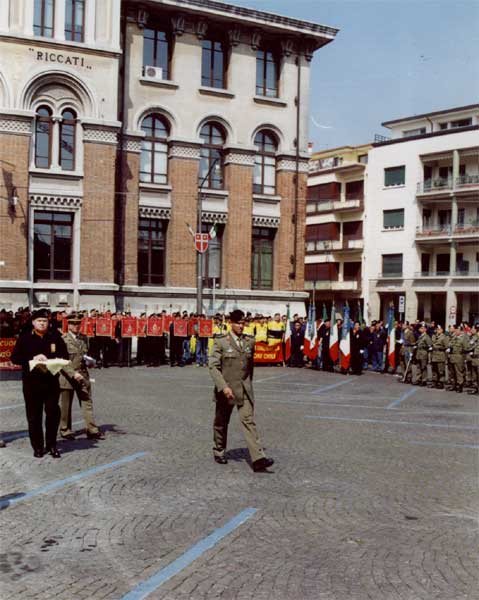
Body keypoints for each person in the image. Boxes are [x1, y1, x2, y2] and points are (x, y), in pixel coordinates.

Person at [208, 309, 274, 472]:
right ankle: (219, 450)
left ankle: (258, 458)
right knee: (221, 422)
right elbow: (213, 367)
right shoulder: (221, 341)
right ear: (232, 323)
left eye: (244, 323)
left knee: (248, 421)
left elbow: (249, 367)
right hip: (227, 389)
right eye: (239, 323)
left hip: (244, 389)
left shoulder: (249, 341)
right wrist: (223, 387)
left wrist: (248, 385)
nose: (242, 326)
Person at [11, 309, 72, 458]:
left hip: (51, 382)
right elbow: (15, 358)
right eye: (39, 321)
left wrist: (52, 360)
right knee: (34, 416)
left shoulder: (55, 337)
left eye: (45, 321)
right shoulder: (25, 338)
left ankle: (52, 445)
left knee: (52, 413)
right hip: (32, 383)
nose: (42, 323)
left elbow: (64, 356)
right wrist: (33, 358)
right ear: (33, 323)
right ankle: (37, 447)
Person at [58, 314, 104, 441]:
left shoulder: (84, 338)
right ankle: (65, 430)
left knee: (87, 402)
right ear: (69, 325)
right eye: (73, 324)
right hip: (67, 376)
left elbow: (84, 356)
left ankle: (92, 429)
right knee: (65, 405)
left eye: (78, 324)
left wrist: (90, 362)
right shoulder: (63, 339)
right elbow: (62, 360)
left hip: (83, 375)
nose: (76, 326)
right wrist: (73, 373)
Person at [447, 325, 469, 393]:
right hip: (452, 357)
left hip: (459, 357)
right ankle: (454, 385)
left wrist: (464, 357)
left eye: (457, 330)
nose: (456, 331)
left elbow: (466, 348)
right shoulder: (454, 337)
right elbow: (450, 344)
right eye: (456, 330)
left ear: (461, 331)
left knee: (459, 372)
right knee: (452, 372)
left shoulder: (463, 338)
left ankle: (460, 385)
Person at [430, 324, 448, 389]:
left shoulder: (444, 337)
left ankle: (441, 382)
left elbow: (446, 347)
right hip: (434, 355)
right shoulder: (434, 336)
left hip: (440, 355)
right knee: (434, 370)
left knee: (441, 370)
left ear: (442, 330)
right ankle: (435, 381)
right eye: (437, 329)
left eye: (439, 329)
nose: (438, 331)